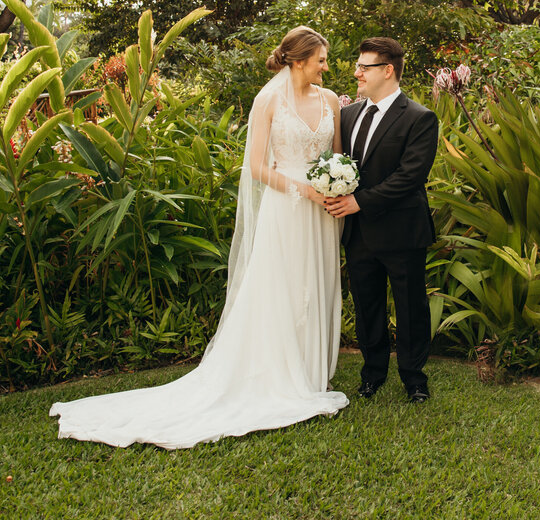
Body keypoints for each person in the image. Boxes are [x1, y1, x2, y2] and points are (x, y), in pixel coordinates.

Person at [49, 26, 349, 448]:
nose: (326, 65)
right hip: (288, 208)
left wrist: (336, 184)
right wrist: (305, 189)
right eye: (320, 58)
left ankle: (313, 370)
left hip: (323, 210)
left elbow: (335, 155)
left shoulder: (331, 100)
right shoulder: (269, 101)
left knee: (316, 283)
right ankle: (279, 370)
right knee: (282, 285)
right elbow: (258, 169)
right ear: (299, 60)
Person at [325, 37, 439, 403]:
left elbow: (410, 176)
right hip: (359, 236)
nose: (356, 73)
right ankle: (372, 375)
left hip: (403, 231)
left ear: (388, 70)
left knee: (411, 308)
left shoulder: (420, 117)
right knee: (367, 307)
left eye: (364, 67)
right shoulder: (348, 115)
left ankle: (414, 379)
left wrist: (359, 202)